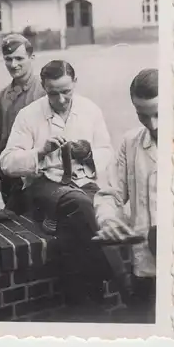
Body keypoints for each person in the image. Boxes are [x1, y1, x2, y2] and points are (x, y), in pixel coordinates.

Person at [0, 60, 130, 317]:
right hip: (44, 186)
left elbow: (108, 152)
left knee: (82, 219)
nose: (60, 99)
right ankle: (122, 282)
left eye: (66, 91)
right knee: (82, 205)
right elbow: (7, 162)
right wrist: (40, 151)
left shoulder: (90, 110)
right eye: (52, 93)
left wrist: (90, 153)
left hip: (84, 183)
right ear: (44, 88)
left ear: (75, 83)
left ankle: (82, 297)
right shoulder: (29, 115)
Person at [94, 68, 158, 323]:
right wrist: (109, 220)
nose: (153, 125)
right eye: (143, 116)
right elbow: (110, 192)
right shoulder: (131, 143)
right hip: (145, 267)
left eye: (159, 114)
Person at [0, 33, 45, 221]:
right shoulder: (3, 95)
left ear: (32, 58)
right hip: (10, 172)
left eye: (19, 58)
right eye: (8, 59)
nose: (13, 65)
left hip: (35, 174)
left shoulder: (44, 90)